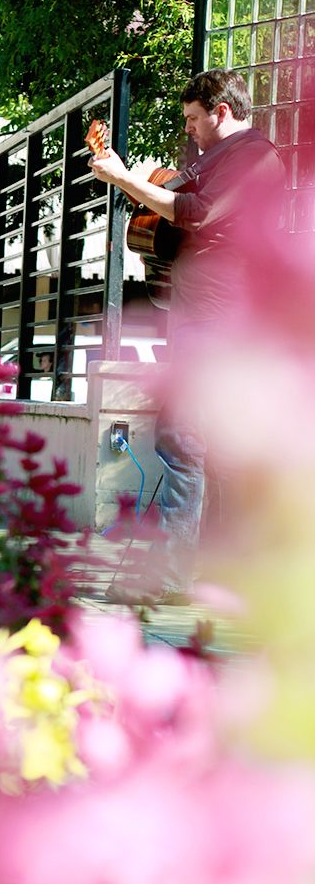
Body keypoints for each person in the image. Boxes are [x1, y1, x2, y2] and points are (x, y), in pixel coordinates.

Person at [90, 68, 286, 603]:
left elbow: (197, 214)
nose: (191, 130)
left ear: (221, 111)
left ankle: (172, 576)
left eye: (195, 119)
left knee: (184, 439)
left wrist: (125, 179)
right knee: (197, 443)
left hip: (221, 318)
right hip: (199, 312)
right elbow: (175, 210)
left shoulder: (254, 156)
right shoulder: (213, 160)